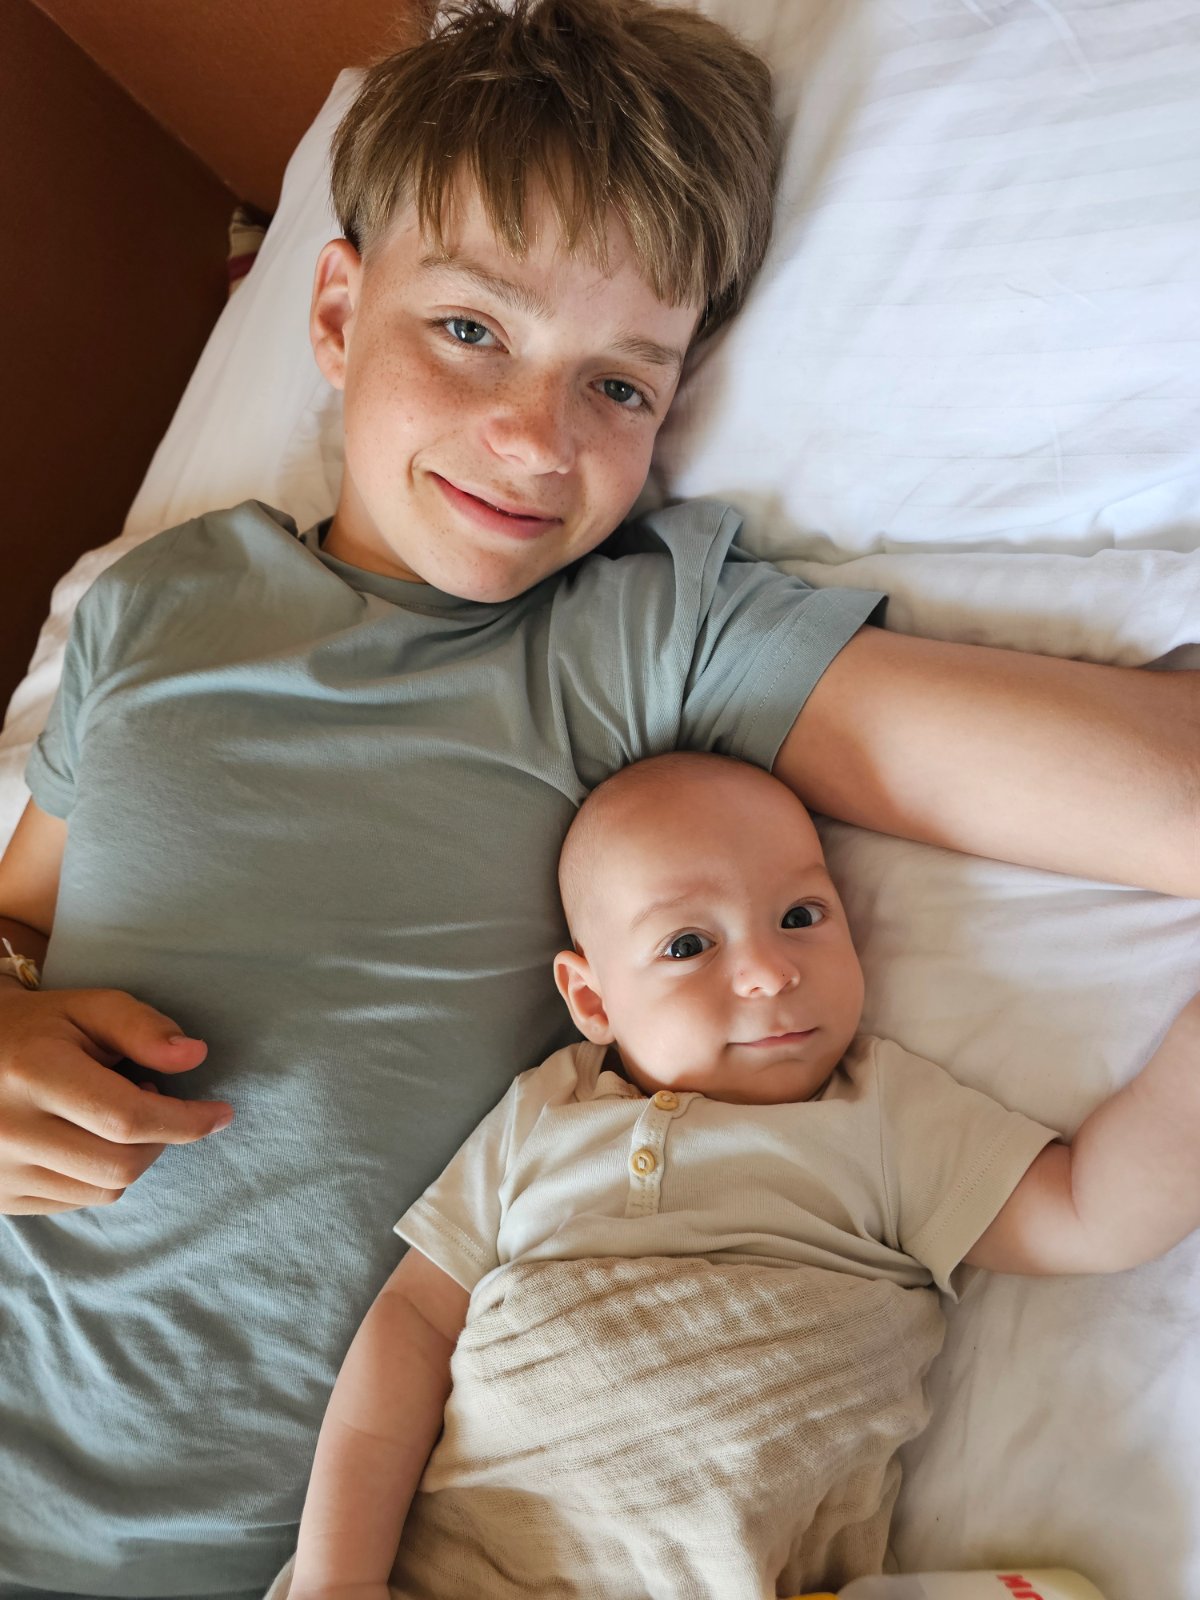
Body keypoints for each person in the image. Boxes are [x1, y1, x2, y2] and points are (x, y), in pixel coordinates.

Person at [0, 1, 1193, 1595]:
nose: (533, 440)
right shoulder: (155, 605)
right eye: (470, 329)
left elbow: (1166, 796)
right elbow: (27, 913)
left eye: (619, 387)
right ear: (337, 311)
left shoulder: (633, 641)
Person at [281, 752, 1200, 1600]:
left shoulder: (884, 1117)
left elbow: (1089, 1212)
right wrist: (338, 1578)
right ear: (593, 999)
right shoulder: (544, 1112)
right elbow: (412, 1323)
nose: (769, 970)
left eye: (800, 917)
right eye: (688, 945)